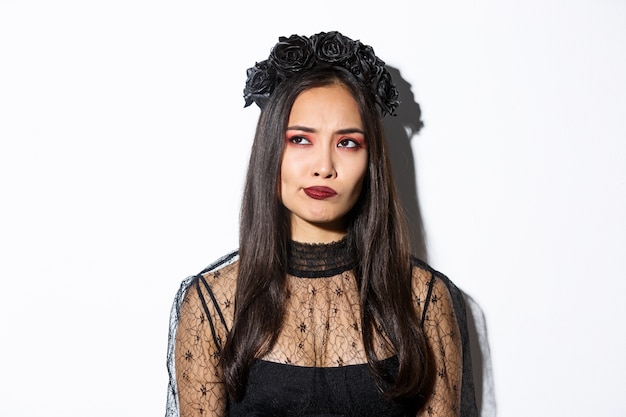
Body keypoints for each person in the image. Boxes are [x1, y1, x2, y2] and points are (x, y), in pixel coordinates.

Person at [165, 31, 478, 417]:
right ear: (270, 151)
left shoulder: (421, 300)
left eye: (347, 143)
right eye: (300, 140)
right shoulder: (214, 305)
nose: (324, 166)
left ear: (372, 161)